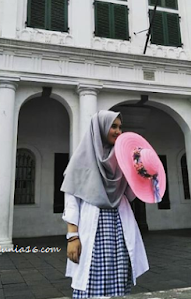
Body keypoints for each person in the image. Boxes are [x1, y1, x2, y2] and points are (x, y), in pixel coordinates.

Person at [61, 110, 149, 298]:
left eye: (120, 127)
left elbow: (131, 194)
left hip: (119, 226)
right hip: (92, 226)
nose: (118, 131)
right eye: (113, 126)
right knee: (90, 278)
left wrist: (140, 171)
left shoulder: (122, 159)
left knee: (119, 276)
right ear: (99, 128)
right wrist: (72, 237)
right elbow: (72, 200)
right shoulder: (81, 159)